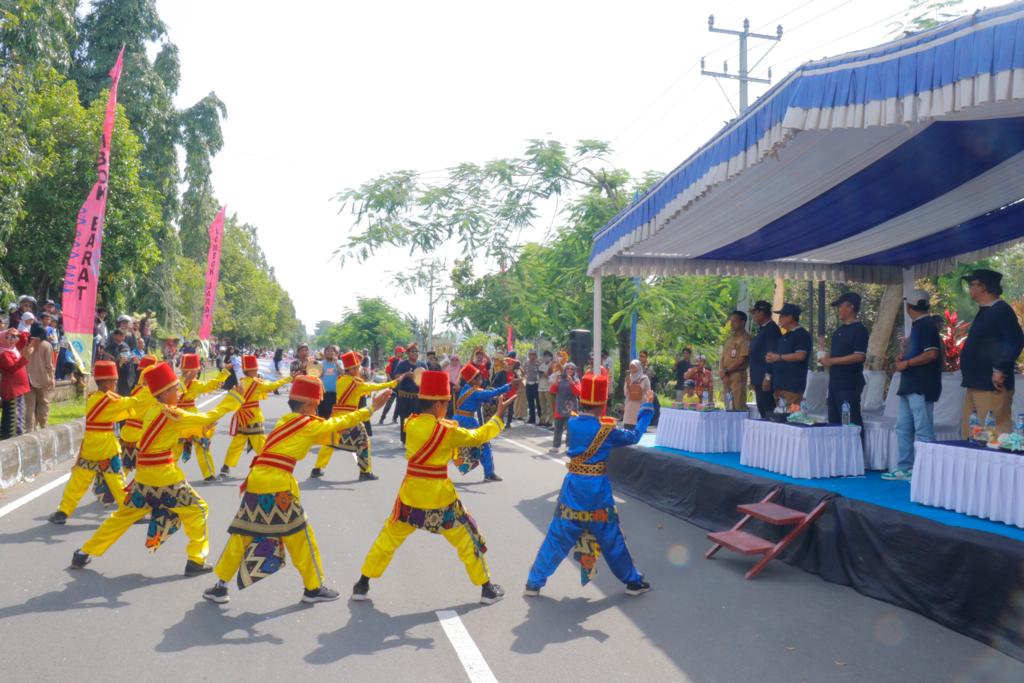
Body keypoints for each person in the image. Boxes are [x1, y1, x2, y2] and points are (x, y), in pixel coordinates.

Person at [203, 377, 393, 605]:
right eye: (315, 405)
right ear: (306, 406)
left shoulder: (285, 421)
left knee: (243, 534)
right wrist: (371, 408)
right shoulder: (307, 424)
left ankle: (219, 587)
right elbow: (336, 424)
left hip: (256, 480)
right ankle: (313, 589)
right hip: (278, 486)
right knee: (301, 537)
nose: (317, 409)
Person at [351, 370, 515, 605]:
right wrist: (498, 416)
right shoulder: (447, 431)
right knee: (467, 539)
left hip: (410, 496)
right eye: (446, 403)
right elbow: (479, 436)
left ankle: (362, 583)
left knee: (387, 539)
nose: (447, 407)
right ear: (438, 403)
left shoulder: (411, 423)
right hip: (441, 499)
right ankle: (486, 588)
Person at [70, 362, 234, 574]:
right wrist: (233, 400)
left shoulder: (153, 412)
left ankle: (84, 553)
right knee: (198, 509)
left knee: (122, 517)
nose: (178, 392)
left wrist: (200, 429)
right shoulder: (172, 414)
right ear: (165, 393)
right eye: (175, 389)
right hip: (165, 478)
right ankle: (196, 559)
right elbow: (208, 416)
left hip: (144, 479)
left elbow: (170, 433)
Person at [524, 373, 653, 597]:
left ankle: (534, 582)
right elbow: (634, 436)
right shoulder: (606, 430)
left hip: (573, 487)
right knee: (611, 537)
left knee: (557, 535)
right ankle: (632, 581)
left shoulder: (573, 423)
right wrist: (646, 410)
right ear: (603, 403)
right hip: (596, 492)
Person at [48, 361, 144, 524]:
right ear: (106, 382)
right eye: (114, 380)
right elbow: (131, 403)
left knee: (77, 483)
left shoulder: (94, 398)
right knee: (118, 483)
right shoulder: (108, 401)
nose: (115, 383)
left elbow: (117, 413)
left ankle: (63, 511)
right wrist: (150, 392)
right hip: (106, 449)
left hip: (90, 448)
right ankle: (129, 513)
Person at [311, 350, 401, 481]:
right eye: (357, 367)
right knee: (364, 442)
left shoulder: (340, 380)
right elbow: (375, 387)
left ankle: (317, 469)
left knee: (329, 442)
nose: (359, 369)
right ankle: (365, 471)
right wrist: (392, 383)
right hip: (350, 419)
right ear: (352, 369)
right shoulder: (357, 384)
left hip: (335, 417)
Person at [883, 291, 943, 481]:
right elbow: (925, 352)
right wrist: (905, 357)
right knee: (903, 428)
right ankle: (906, 467)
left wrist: (907, 363)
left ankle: (926, 472)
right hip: (911, 385)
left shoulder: (926, 325)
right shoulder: (921, 325)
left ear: (908, 307)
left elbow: (932, 354)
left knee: (923, 430)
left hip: (921, 385)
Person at [958, 269, 1024, 436]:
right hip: (976, 383)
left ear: (984, 287)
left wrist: (999, 369)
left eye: (972, 284)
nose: (970, 288)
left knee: (992, 435)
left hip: (991, 384)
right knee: (972, 434)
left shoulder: (1001, 310)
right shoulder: (986, 310)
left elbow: (1015, 340)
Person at [221, 355, 292, 477]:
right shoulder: (257, 384)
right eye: (255, 369)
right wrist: (288, 379)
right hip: (253, 416)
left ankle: (226, 466)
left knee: (236, 444)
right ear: (251, 370)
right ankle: (267, 465)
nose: (257, 371)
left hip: (242, 416)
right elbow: (272, 386)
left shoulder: (242, 382)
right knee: (261, 443)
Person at [453, 364, 519, 482]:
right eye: (478, 378)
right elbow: (488, 394)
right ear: (472, 379)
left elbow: (484, 397)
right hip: (468, 421)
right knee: (484, 444)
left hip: (456, 419)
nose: (481, 380)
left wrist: (495, 397)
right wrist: (509, 385)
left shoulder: (466, 389)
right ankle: (489, 473)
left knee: (448, 444)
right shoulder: (474, 391)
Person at [178, 353, 231, 482]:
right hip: (192, 417)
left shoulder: (175, 382)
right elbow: (211, 385)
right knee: (202, 445)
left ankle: (165, 474)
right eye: (197, 369)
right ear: (192, 370)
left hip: (176, 416)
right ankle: (208, 474)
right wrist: (224, 372)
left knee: (173, 448)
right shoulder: (195, 384)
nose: (199, 371)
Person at [821, 292, 869, 426]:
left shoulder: (860, 330)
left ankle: (856, 447)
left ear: (851, 307)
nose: (838, 310)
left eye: (841, 306)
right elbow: (834, 353)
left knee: (849, 422)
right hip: (834, 383)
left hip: (849, 384)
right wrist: (825, 357)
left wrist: (831, 361)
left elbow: (859, 356)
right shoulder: (838, 331)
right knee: (834, 422)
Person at [116, 354, 160, 472]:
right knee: (147, 468)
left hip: (127, 431)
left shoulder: (136, 389)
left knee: (125, 467)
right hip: (141, 434)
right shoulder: (150, 392)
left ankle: (120, 488)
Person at [765, 303, 811, 407]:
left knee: (791, 419)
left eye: (782, 316)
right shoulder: (783, 337)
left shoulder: (801, 334)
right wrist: (768, 375)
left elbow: (800, 355)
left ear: (790, 317)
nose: (779, 318)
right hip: (779, 387)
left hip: (792, 388)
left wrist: (779, 357)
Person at [749, 301, 781, 418]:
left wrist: (768, 376)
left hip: (765, 378)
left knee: (768, 410)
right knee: (762, 409)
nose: (754, 316)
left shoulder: (771, 329)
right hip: (758, 378)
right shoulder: (763, 329)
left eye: (755, 313)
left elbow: (771, 354)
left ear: (762, 313)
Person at [0, 329, 32, 439]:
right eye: (8, 337)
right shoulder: (3, 353)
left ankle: (9, 433)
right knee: (14, 411)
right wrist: (25, 357)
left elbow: (24, 338)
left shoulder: (12, 349)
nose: (12, 340)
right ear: (2, 340)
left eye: (13, 337)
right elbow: (11, 368)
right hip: (12, 387)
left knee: (17, 409)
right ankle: (14, 434)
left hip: (17, 386)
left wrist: (17, 332)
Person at [23, 324, 55, 432]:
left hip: (27, 379)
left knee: (29, 406)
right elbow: (49, 365)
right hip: (42, 379)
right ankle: (43, 426)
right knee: (43, 403)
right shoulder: (46, 345)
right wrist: (52, 378)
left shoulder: (27, 345)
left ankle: (29, 429)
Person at [392, 344, 426, 444]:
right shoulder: (402, 364)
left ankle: (415, 439)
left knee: (417, 419)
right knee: (405, 419)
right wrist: (406, 375)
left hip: (417, 398)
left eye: (416, 352)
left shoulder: (422, 365)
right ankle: (405, 440)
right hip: (405, 397)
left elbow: (427, 377)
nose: (415, 353)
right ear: (408, 353)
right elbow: (396, 377)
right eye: (412, 352)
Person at [719, 311, 752, 411]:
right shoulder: (730, 338)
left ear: (742, 322)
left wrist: (727, 371)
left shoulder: (746, 338)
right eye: (731, 321)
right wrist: (722, 373)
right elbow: (723, 357)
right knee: (728, 406)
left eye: (735, 321)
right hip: (726, 376)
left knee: (738, 406)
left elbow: (742, 359)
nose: (732, 324)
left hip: (737, 375)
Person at [549, 362, 581, 453]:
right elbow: (552, 391)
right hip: (559, 406)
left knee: (570, 427)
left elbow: (578, 393)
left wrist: (572, 383)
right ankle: (555, 446)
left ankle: (569, 446)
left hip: (572, 407)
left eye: (572, 369)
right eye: (568, 368)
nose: (569, 370)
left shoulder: (577, 380)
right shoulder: (560, 379)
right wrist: (556, 383)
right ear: (564, 370)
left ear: (574, 371)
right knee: (558, 427)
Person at [377, 345, 404, 425]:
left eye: (402, 352)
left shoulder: (402, 361)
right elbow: (388, 372)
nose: (402, 353)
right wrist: (391, 382)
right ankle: (382, 418)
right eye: (401, 352)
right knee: (389, 402)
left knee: (398, 403)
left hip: (399, 385)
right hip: (392, 384)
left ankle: (394, 418)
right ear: (397, 352)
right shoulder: (392, 360)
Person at [622, 360, 651, 429]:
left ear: (638, 367)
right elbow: (625, 393)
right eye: (631, 367)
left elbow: (648, 391)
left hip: (640, 404)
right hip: (630, 404)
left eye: (634, 367)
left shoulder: (644, 378)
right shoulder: (628, 378)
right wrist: (628, 384)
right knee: (628, 425)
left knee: (638, 425)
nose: (632, 369)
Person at [318, 345, 342, 419]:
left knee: (333, 415)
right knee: (322, 415)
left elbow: (343, 373)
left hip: (335, 393)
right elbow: (317, 376)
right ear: (324, 353)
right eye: (327, 351)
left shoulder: (339, 362)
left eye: (332, 351)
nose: (330, 353)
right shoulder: (320, 364)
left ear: (335, 353)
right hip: (323, 393)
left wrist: (336, 363)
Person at [638, 350, 661, 425]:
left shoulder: (650, 367)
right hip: (638, 391)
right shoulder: (636, 366)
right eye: (640, 356)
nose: (641, 358)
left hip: (648, 391)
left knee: (653, 407)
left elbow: (651, 376)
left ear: (646, 357)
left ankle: (652, 422)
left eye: (643, 356)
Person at [524, 350, 542, 425]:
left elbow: (541, 372)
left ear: (536, 355)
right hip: (528, 384)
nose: (531, 356)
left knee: (538, 402)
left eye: (533, 354)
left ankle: (541, 418)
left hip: (536, 384)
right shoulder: (526, 363)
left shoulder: (539, 363)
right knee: (530, 401)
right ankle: (532, 418)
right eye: (530, 354)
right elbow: (524, 371)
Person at [538, 350, 554, 427]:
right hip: (541, 387)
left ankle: (550, 421)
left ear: (551, 357)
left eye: (548, 356)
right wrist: (541, 374)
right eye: (545, 356)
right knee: (542, 405)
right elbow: (539, 375)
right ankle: (543, 420)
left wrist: (544, 374)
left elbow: (550, 375)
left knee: (550, 405)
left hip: (548, 387)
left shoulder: (552, 365)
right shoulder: (541, 365)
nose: (546, 358)